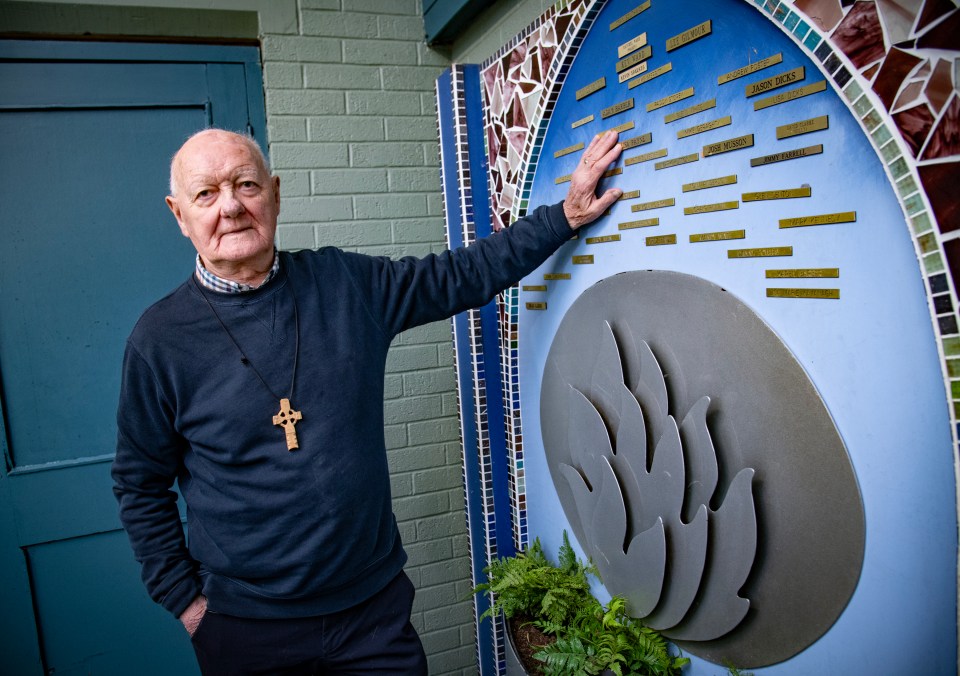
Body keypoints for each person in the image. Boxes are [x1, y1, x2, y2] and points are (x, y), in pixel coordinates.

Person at [112, 127, 622, 675]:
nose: (232, 207)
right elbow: (140, 483)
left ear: (275, 194)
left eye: (245, 184)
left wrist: (563, 216)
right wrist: (187, 605)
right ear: (179, 214)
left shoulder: (344, 284)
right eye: (206, 194)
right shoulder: (159, 340)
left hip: (371, 617)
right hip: (246, 629)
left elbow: (459, 276)